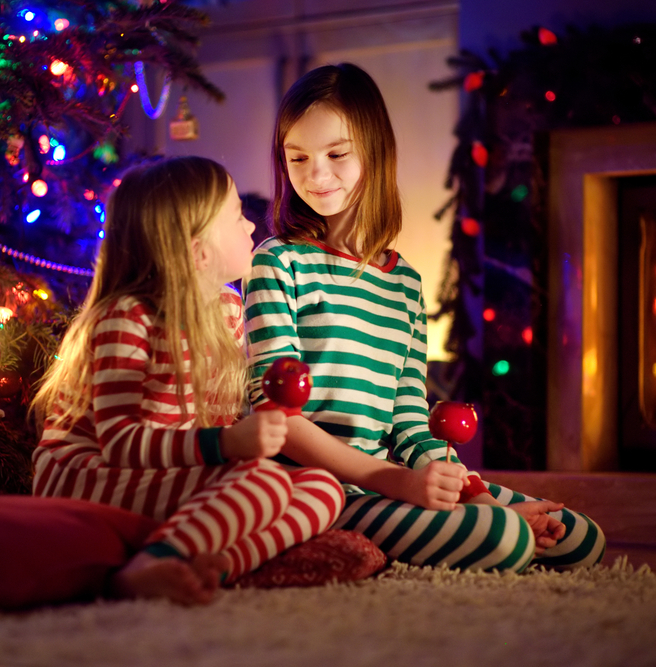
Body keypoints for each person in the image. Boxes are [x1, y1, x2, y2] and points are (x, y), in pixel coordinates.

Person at [244, 63, 605, 573]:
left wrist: (474, 496)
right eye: (297, 157)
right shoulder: (276, 262)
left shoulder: (404, 283)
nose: (315, 174)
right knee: (506, 541)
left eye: (336, 154)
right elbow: (278, 420)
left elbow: (410, 423)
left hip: (388, 479)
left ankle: (478, 522)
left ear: (375, 150)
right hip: (310, 485)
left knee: (580, 539)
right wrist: (398, 484)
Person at [30, 156, 345, 604]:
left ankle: (219, 566)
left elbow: (213, 421)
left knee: (323, 486)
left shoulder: (229, 311)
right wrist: (228, 444)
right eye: (238, 216)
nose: (252, 227)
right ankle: (148, 566)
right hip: (87, 473)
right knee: (265, 483)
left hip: (168, 468)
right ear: (198, 252)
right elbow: (120, 443)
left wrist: (258, 426)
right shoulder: (126, 318)